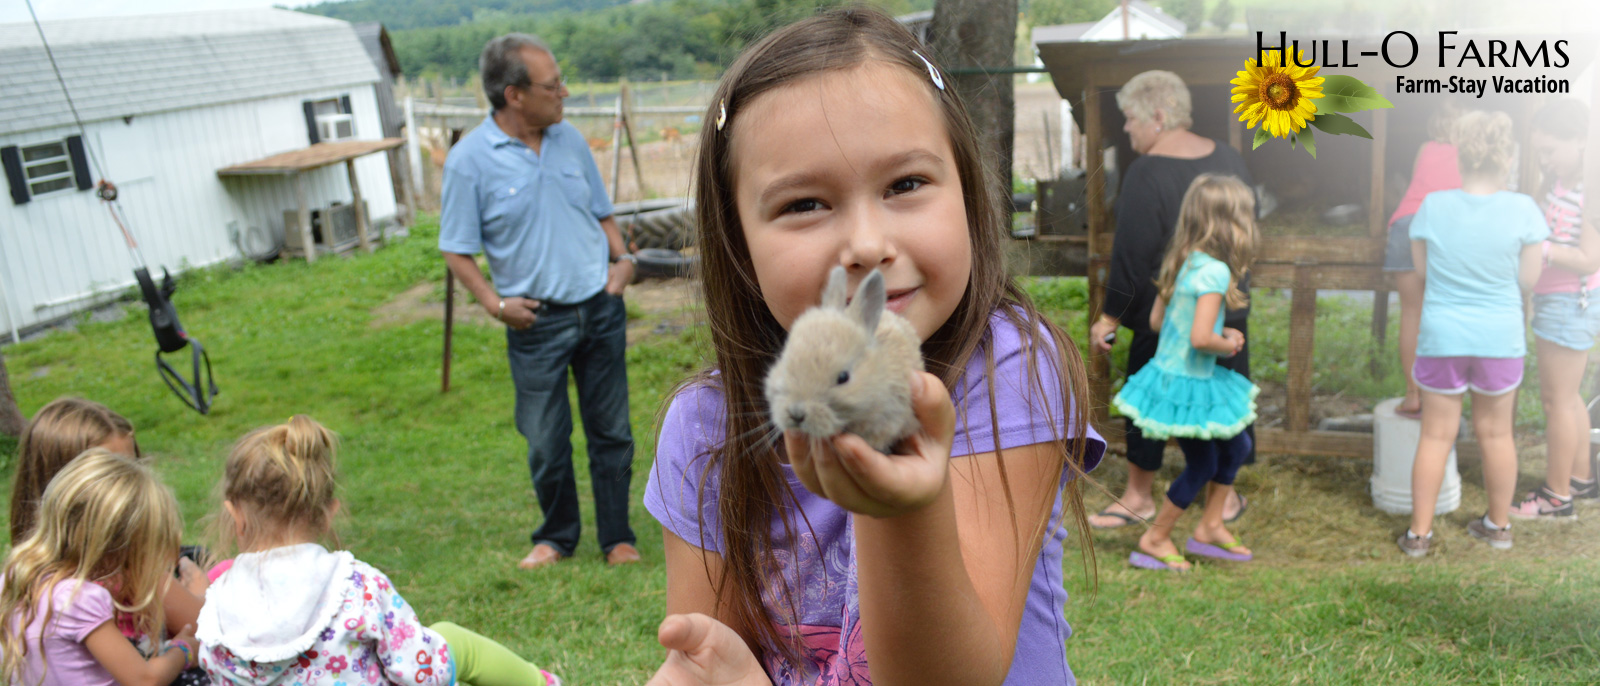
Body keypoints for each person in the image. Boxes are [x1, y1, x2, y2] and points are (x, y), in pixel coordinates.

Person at [643, 9, 1104, 685]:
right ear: (738, 242)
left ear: (968, 193)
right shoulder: (705, 427)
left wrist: (902, 510)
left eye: (906, 185)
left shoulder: (1006, 367)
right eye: (804, 203)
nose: (865, 243)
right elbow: (707, 660)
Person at [439, 33, 640, 569]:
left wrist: (622, 262)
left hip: (599, 308)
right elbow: (456, 250)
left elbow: (602, 212)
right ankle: (556, 537)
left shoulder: (569, 139)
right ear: (514, 95)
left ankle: (618, 538)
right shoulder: (469, 162)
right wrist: (493, 303)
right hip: (536, 324)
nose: (565, 93)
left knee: (612, 431)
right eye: (553, 86)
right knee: (546, 441)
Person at [196, 416, 562, 686]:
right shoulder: (358, 588)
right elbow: (421, 673)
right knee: (452, 641)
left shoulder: (215, 613)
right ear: (328, 514)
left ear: (234, 517)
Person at [1088, 70, 1254, 530]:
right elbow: (1246, 232)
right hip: (1225, 304)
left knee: (1154, 397)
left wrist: (1109, 317)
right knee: (1224, 403)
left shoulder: (1145, 173)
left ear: (1158, 116)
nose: (1126, 129)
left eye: (1129, 119)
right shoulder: (1229, 158)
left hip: (1165, 316)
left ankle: (1138, 496)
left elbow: (1131, 256)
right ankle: (1226, 499)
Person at [1398, 110, 1547, 557]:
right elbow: (1528, 280)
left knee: (1435, 435)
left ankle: (1419, 534)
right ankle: (1498, 525)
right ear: (1507, 158)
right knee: (1497, 435)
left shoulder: (1433, 206)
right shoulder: (1524, 209)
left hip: (1443, 336)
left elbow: (1422, 270)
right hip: (1499, 338)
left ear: (1461, 155)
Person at [1112, 174, 1260, 571]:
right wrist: (1227, 341)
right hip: (1188, 385)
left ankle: (1210, 526)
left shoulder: (1185, 260)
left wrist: (1213, 331)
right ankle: (1155, 537)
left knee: (1237, 447)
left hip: (1170, 377)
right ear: (1232, 223)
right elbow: (1199, 338)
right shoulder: (1215, 273)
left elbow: (1159, 322)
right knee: (1203, 465)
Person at [7, 397, 211, 686]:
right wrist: (199, 595)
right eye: (115, 471)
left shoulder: (21, 573)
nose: (135, 481)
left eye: (133, 464)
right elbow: (206, 630)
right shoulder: (89, 589)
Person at [1513, 98, 1600, 519]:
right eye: (1539, 151)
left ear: (1581, 141)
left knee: (1557, 402)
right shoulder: (1560, 183)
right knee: (1569, 399)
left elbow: (1590, 258)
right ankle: (1581, 478)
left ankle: (1556, 497)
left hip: (1571, 301)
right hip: (1558, 299)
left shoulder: (1591, 188)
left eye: (1550, 150)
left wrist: (1540, 247)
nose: (1543, 159)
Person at [1385, 101, 1463, 418]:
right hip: (1447, 224)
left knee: (1411, 313)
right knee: (1447, 310)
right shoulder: (1471, 153)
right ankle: (1443, 394)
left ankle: (1413, 394)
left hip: (1408, 222)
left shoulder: (1425, 148)